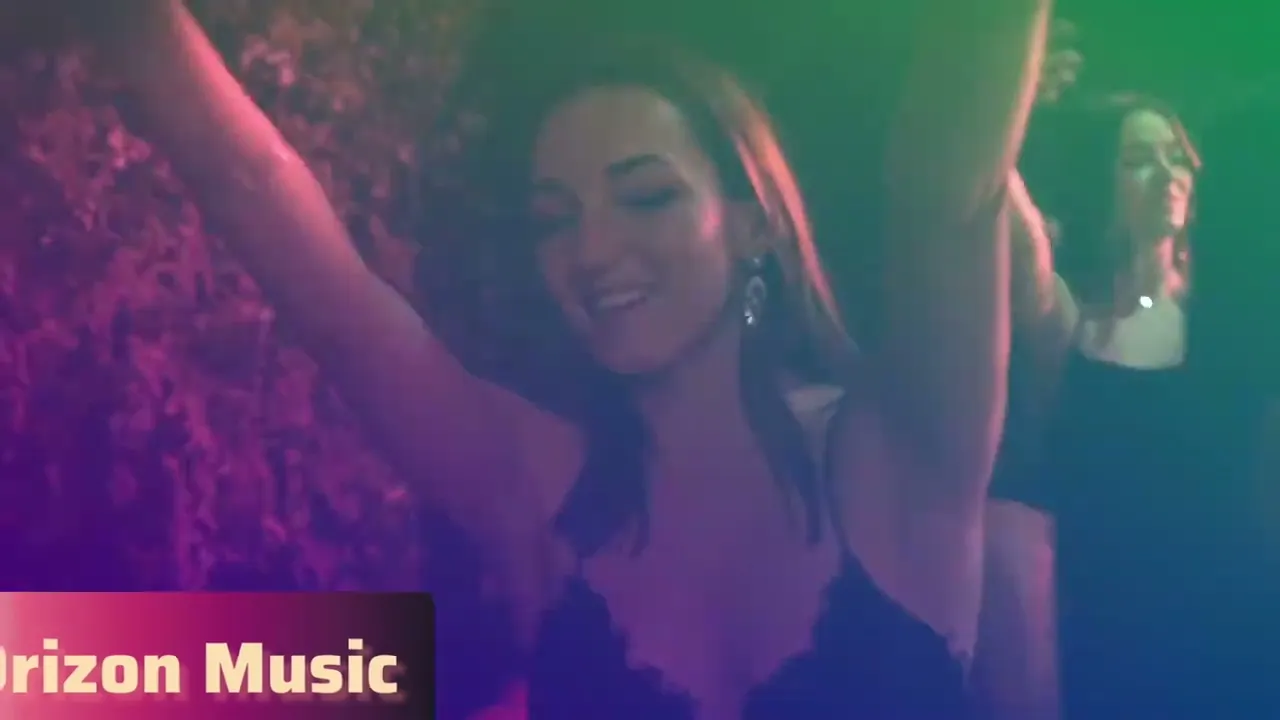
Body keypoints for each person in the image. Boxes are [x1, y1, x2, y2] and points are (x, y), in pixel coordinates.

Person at [80, 0, 1050, 717]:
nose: (593, 250)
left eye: (645, 197)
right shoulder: (540, 484)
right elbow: (296, 248)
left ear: (753, 222)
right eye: (556, 218)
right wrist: (134, 21)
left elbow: (947, 190)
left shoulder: (896, 453)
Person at [978, 81, 1280, 718]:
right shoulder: (1072, 321)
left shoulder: (1233, 320)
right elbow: (994, 208)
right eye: (1139, 159)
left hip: (1229, 635)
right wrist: (1004, 97)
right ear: (1100, 183)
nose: (1167, 174)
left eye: (1176, 156)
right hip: (1107, 637)